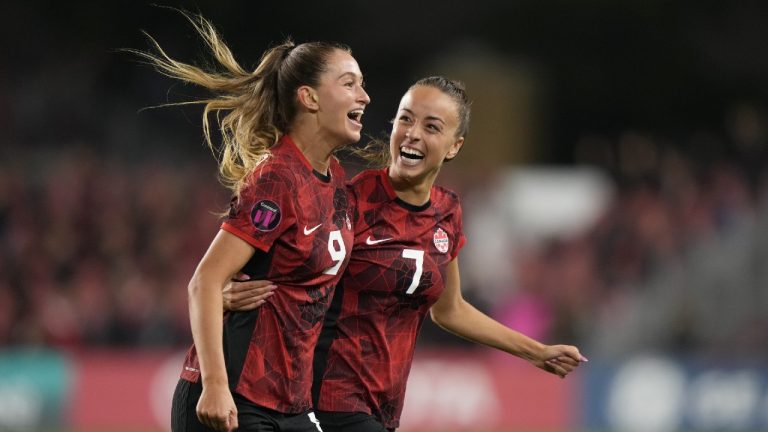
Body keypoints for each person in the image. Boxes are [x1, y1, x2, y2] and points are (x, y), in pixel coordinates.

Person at [225, 76, 587, 431]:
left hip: (383, 409)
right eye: (406, 118)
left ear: (454, 146)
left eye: (432, 126)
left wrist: (536, 352)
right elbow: (287, 270)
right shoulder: (350, 201)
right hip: (326, 399)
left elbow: (450, 310)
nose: (413, 133)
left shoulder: (448, 212)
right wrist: (227, 292)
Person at [133, 12, 370, 432]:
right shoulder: (277, 178)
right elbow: (204, 283)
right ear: (309, 98)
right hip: (235, 400)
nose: (364, 96)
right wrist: (216, 387)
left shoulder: (334, 178)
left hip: (291, 404)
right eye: (349, 83)